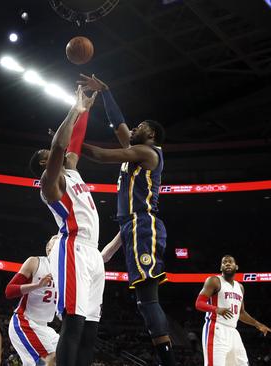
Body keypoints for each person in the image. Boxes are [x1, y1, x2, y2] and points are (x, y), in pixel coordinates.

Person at [78, 74, 175, 365]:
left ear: (152, 135)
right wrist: (106, 91)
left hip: (143, 225)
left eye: (141, 127)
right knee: (143, 302)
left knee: (148, 300)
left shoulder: (146, 152)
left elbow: (99, 154)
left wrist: (69, 141)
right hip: (131, 226)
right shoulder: (135, 150)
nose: (133, 128)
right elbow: (119, 123)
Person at [28, 86, 103, 366]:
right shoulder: (50, 183)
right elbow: (60, 145)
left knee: (90, 329)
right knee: (73, 324)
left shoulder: (70, 169)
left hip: (92, 254)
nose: (50, 150)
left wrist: (84, 110)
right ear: (45, 164)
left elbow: (73, 143)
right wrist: (74, 108)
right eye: (45, 153)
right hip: (72, 248)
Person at [196, 255, 271, 366]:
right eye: (224, 262)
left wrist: (257, 324)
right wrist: (216, 309)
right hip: (216, 328)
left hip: (233, 332)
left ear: (236, 267)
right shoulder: (214, 281)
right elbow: (199, 303)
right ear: (220, 267)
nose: (227, 263)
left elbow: (241, 313)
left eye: (230, 262)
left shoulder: (240, 287)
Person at [5, 236, 59, 366]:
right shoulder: (35, 262)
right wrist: (37, 285)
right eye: (56, 241)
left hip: (44, 327)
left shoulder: (66, 272)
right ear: (48, 248)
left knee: (68, 356)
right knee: (49, 362)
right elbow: (9, 291)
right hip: (25, 322)